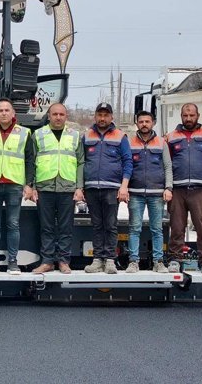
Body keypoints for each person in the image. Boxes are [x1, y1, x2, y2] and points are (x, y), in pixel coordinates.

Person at [0, 97, 35, 275]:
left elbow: (30, 160)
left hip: (14, 184)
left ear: (13, 113)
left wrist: (29, 184)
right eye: (0, 110)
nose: (3, 113)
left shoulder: (25, 133)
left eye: (6, 110)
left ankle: (12, 262)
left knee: (13, 224)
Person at [166, 103, 202, 274]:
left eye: (191, 115)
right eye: (185, 115)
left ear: (197, 116)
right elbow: (166, 164)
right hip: (178, 189)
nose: (188, 118)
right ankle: (175, 259)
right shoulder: (171, 137)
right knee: (176, 227)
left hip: (201, 188)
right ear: (181, 116)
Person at [32, 103, 83, 274]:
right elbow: (31, 161)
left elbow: (81, 162)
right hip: (44, 186)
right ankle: (47, 261)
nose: (58, 117)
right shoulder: (38, 135)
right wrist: (32, 186)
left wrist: (79, 187)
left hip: (67, 187)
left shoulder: (75, 135)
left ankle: (63, 261)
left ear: (66, 116)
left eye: (61, 114)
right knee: (46, 227)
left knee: (65, 227)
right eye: (55, 114)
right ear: (49, 116)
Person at [83, 102, 132, 275]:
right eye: (99, 115)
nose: (102, 118)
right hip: (91, 188)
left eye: (106, 115)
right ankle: (97, 260)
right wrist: (80, 187)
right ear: (95, 116)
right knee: (96, 225)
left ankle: (110, 260)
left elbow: (128, 162)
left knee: (110, 225)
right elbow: (81, 162)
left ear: (111, 117)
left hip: (112, 188)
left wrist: (124, 186)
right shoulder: (86, 136)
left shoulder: (120, 136)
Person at [125, 110, 172, 273]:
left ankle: (158, 262)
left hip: (157, 193)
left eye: (147, 121)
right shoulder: (129, 143)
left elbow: (167, 166)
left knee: (157, 229)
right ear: (136, 123)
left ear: (153, 123)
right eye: (141, 121)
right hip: (135, 193)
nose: (144, 124)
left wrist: (168, 187)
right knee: (134, 228)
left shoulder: (161, 143)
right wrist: (124, 188)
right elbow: (125, 166)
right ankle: (133, 262)